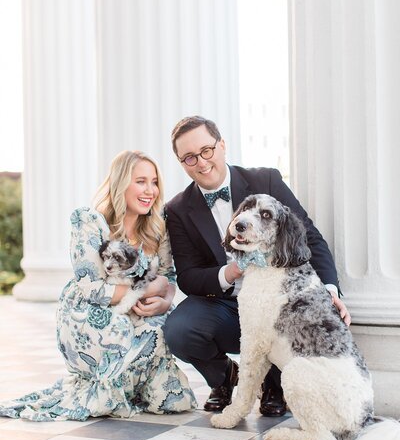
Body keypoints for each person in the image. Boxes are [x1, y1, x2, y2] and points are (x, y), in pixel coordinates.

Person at [163, 116, 350, 417]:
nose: (201, 162)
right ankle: (225, 377)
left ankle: (275, 384)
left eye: (207, 150)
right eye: (189, 157)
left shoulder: (267, 181)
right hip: (227, 307)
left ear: (222, 145)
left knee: (294, 319)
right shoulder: (177, 209)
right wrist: (231, 272)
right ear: (181, 162)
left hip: (277, 299)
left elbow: (309, 238)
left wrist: (329, 290)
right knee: (179, 330)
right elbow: (188, 276)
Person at [0, 150, 196, 421]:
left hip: (138, 308)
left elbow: (168, 275)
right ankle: (108, 383)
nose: (150, 190)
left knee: (173, 396)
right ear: (120, 183)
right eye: (140, 181)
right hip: (91, 312)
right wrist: (150, 289)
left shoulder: (157, 227)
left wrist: (164, 299)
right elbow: (92, 288)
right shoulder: (90, 221)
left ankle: (138, 385)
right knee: (120, 330)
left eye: (154, 182)